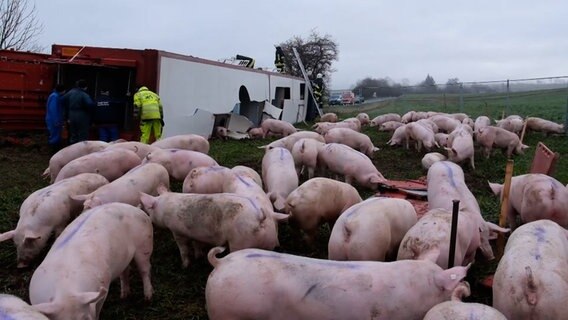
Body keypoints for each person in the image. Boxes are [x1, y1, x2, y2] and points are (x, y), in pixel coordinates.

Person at [62, 79, 95, 144]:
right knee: (82, 135)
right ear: (85, 87)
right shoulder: (84, 95)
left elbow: (62, 100)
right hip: (82, 116)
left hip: (71, 115)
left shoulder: (70, 92)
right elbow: (90, 104)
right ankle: (81, 152)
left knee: (73, 134)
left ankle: (72, 150)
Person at [45, 84, 66, 154]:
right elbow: (53, 109)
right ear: (62, 90)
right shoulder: (55, 96)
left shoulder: (54, 95)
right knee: (55, 136)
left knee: (54, 135)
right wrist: (56, 121)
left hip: (52, 119)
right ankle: (53, 152)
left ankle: (53, 151)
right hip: (54, 120)